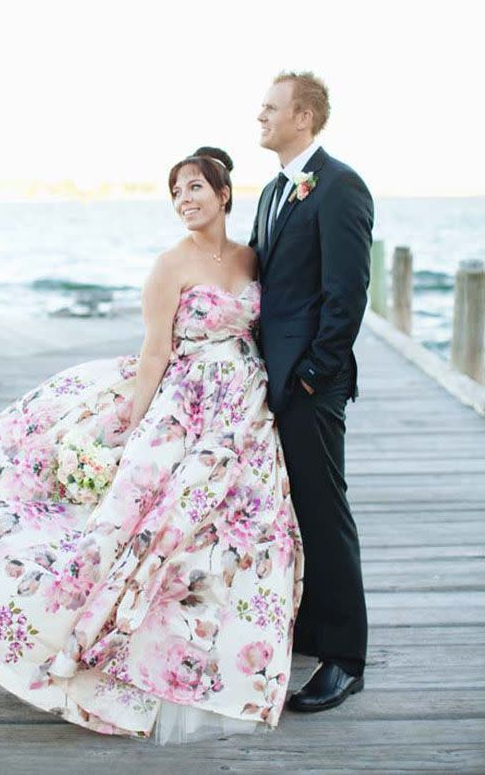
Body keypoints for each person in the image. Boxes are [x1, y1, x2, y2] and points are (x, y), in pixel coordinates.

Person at [0, 147, 303, 743]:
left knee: (239, 528)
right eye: (176, 192)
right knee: (137, 521)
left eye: (195, 188)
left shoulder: (251, 257)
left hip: (244, 410)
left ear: (224, 194)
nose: (185, 200)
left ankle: (216, 655)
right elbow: (156, 350)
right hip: (186, 399)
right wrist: (136, 425)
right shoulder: (169, 266)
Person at [250, 71, 374, 712]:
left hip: (309, 386)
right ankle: (307, 629)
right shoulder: (273, 192)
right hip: (271, 383)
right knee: (291, 515)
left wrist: (312, 375)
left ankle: (345, 659)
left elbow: (347, 292)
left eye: (271, 107)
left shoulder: (340, 186)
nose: (260, 115)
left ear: (304, 116)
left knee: (325, 516)